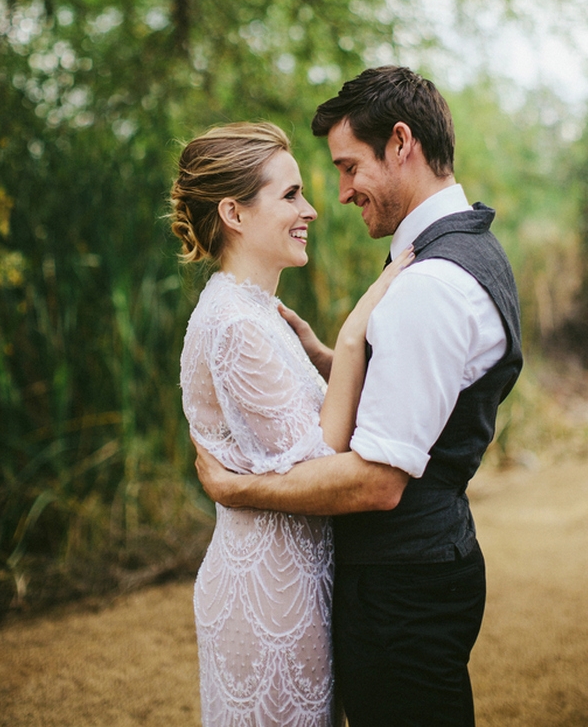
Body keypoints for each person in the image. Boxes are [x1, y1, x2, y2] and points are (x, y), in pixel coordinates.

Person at [194, 67, 523, 727]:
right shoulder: (464, 251)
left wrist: (239, 489)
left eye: (348, 167)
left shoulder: (432, 284)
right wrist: (331, 358)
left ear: (401, 143)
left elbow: (376, 481)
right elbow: (423, 393)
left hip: (402, 582)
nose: (339, 193)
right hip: (422, 566)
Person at [170, 121, 413, 727]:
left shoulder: (258, 314)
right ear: (234, 212)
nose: (310, 209)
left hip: (298, 583)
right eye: (289, 195)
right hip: (268, 600)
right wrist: (356, 332)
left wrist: (321, 354)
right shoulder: (235, 322)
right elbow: (322, 463)